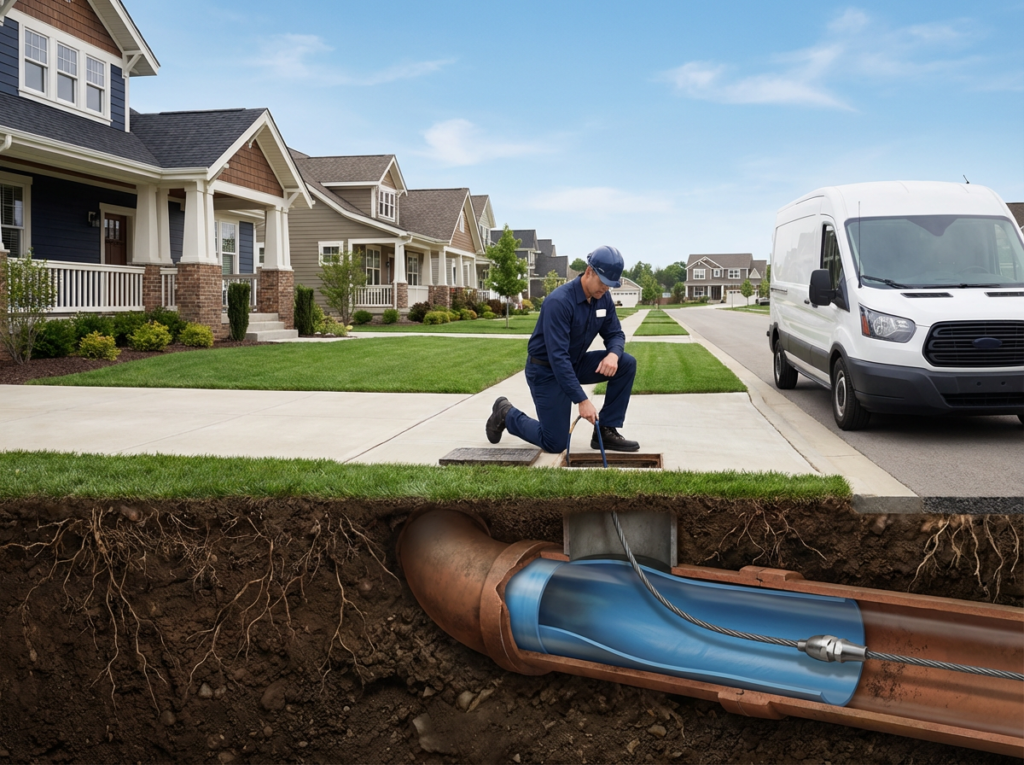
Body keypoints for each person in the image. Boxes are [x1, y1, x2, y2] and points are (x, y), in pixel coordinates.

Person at [486, 245, 639, 454]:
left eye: (610, 285)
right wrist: (582, 400)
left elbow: (615, 334)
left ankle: (605, 430)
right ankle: (506, 414)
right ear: (589, 271)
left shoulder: (602, 299)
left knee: (626, 363)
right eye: (603, 282)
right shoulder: (558, 302)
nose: (606, 289)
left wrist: (613, 354)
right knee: (555, 443)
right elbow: (558, 358)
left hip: (573, 364)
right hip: (545, 371)